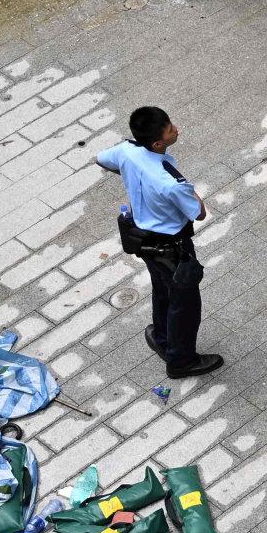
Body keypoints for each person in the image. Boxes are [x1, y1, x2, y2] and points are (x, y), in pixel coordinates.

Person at [97, 107, 222, 377]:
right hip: (173, 246)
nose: (176, 128)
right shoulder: (171, 183)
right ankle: (180, 361)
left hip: (143, 239)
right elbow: (198, 213)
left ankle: (162, 338)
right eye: (169, 129)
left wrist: (134, 177)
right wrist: (192, 191)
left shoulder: (127, 151)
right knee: (185, 304)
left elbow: (101, 159)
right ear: (157, 143)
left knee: (163, 289)